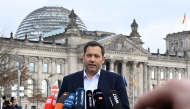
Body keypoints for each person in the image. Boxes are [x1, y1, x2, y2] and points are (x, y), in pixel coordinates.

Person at [57, 41, 130, 109]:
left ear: (103, 59)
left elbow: (124, 107)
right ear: (83, 58)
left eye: (96, 56)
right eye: (89, 55)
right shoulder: (68, 80)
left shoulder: (115, 80)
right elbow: (59, 105)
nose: (92, 59)